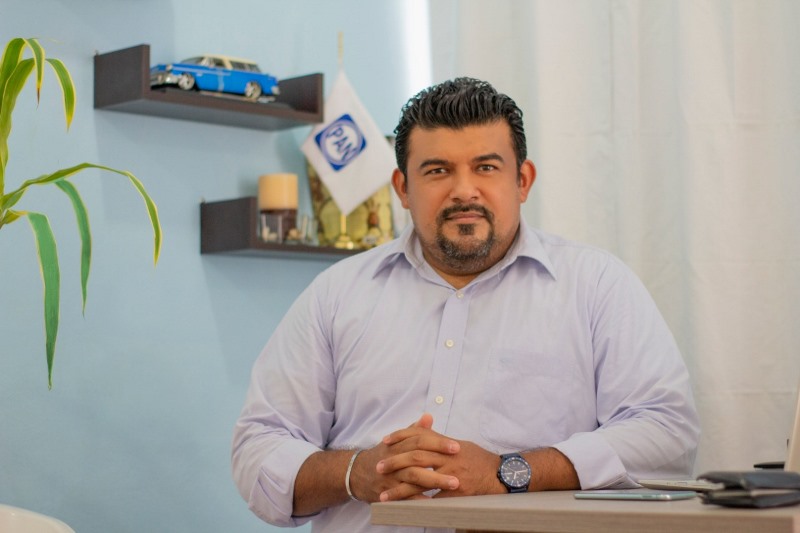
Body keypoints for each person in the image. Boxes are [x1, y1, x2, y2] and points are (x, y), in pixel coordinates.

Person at [232, 77, 700, 532]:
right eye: (437, 171)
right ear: (402, 188)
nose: (463, 190)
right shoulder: (335, 294)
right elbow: (259, 447)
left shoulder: (597, 285)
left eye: (486, 167)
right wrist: (357, 473)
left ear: (522, 180)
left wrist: (510, 472)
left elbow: (666, 433)